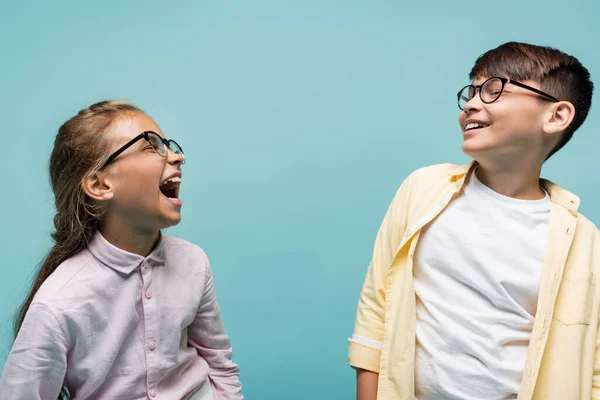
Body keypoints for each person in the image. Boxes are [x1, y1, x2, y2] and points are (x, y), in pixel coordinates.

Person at [349, 42, 598, 400]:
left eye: (495, 90)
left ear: (556, 116)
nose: (472, 103)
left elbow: (593, 367)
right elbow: (376, 311)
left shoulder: (587, 243)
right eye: (472, 90)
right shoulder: (422, 190)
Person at [0, 101, 243, 400]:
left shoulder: (194, 261)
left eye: (169, 145)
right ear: (100, 184)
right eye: (151, 146)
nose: (178, 156)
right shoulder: (57, 304)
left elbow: (219, 362)